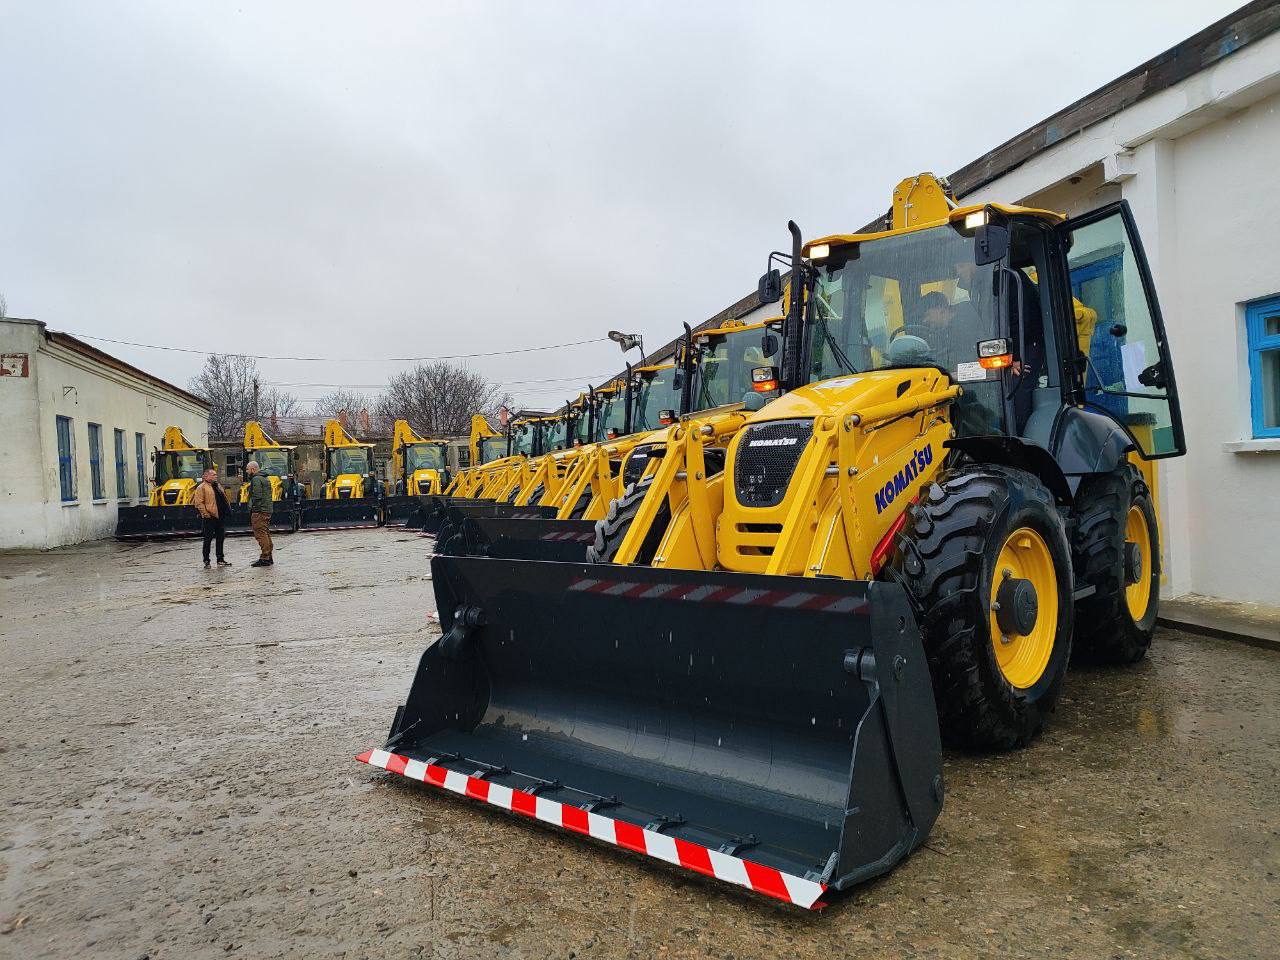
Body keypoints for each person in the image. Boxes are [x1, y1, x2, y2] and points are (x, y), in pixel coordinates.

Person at [192, 467, 231, 569]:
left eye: (215, 475)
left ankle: (220, 559)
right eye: (213, 475)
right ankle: (206, 560)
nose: (215, 476)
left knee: (220, 538)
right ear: (206, 476)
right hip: (210, 517)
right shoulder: (201, 487)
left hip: (220, 516)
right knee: (208, 539)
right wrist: (206, 514)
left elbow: (224, 498)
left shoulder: (218, 486)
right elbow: (199, 503)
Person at [245, 460, 274, 567]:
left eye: (248, 469)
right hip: (267, 509)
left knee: (260, 533)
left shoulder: (256, 479)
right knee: (265, 532)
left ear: (253, 469)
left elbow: (256, 496)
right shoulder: (265, 478)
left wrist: (253, 509)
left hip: (260, 511)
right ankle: (269, 555)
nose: (247, 472)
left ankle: (265, 557)